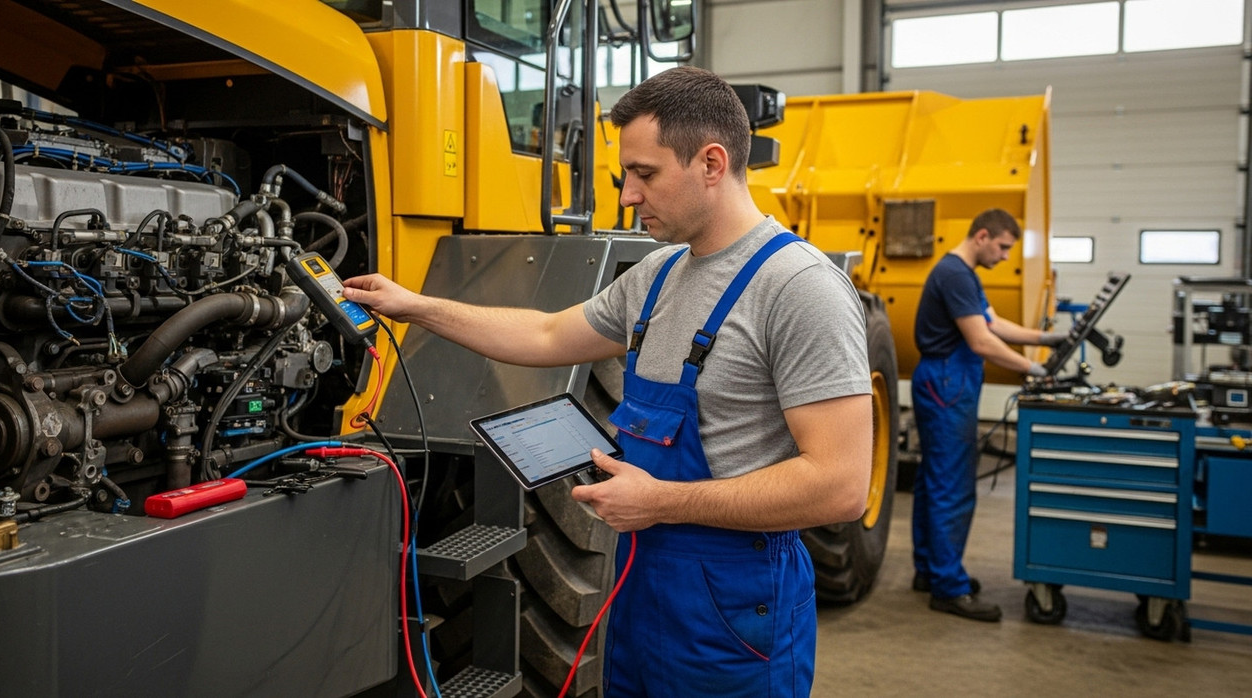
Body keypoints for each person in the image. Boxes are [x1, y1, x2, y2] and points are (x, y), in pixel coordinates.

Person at [342, 66, 873, 696]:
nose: (626, 194)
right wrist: (417, 306)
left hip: (737, 609)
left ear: (711, 162)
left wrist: (662, 502)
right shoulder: (657, 275)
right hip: (639, 587)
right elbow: (544, 336)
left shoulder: (799, 288)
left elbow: (841, 488)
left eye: (644, 173)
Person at [910, 208, 1063, 622]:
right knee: (952, 485)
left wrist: (1047, 338)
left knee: (933, 478)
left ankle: (929, 570)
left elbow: (993, 323)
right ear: (981, 236)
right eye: (1003, 247)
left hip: (943, 379)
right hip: (948, 380)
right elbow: (981, 341)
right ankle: (948, 587)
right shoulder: (957, 274)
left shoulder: (962, 273)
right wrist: (1034, 369)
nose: (1006, 256)